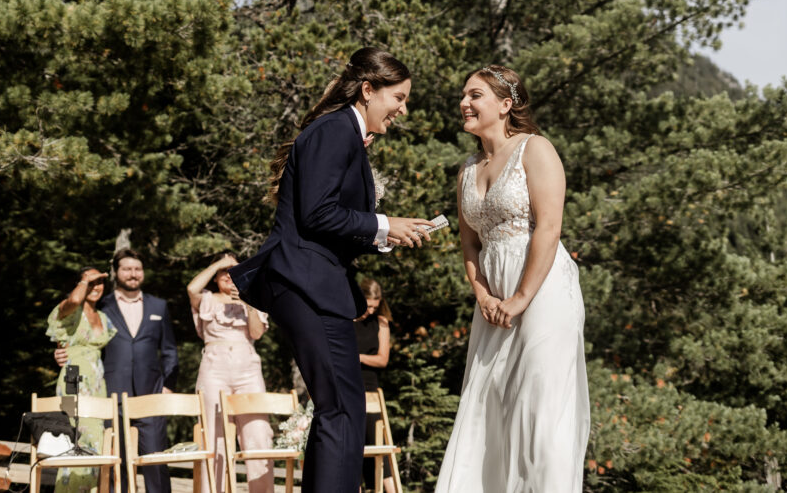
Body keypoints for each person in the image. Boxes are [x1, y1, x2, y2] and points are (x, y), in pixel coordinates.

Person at [229, 46, 435, 493]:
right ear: (368, 90)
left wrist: (387, 234)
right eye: (398, 97)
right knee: (343, 408)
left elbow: (327, 219)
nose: (403, 108)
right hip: (307, 284)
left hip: (312, 282)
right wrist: (383, 222)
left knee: (337, 407)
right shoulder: (336, 130)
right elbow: (317, 214)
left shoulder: (344, 133)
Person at [435, 66, 589, 491]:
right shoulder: (467, 169)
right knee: (487, 404)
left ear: (506, 105)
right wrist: (482, 293)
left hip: (541, 290)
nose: (464, 103)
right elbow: (469, 243)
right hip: (492, 298)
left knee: (538, 408)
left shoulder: (535, 149)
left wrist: (521, 297)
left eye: (475, 95)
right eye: (463, 95)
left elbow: (549, 227)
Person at [56, 248, 179, 493]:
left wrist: (168, 385)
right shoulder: (103, 304)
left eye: (137, 269)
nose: (133, 274)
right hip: (112, 395)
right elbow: (75, 326)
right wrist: (61, 351)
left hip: (151, 396)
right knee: (115, 463)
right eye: (127, 269)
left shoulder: (159, 306)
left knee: (156, 462)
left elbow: (170, 351)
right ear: (116, 273)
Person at [187, 252, 274, 493]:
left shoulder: (253, 298)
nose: (228, 275)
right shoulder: (206, 298)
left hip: (248, 368)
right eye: (223, 273)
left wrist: (247, 301)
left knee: (258, 432)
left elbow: (256, 333)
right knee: (214, 434)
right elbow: (191, 288)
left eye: (233, 271)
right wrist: (221, 263)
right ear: (215, 277)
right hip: (214, 368)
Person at [47, 267, 117, 493]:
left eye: (99, 282)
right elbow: (75, 300)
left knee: (96, 440)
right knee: (76, 439)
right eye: (90, 282)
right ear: (79, 284)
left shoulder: (104, 318)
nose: (96, 287)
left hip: (97, 382)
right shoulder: (70, 310)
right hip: (72, 379)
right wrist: (86, 279)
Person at [353, 278, 397, 493]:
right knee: (353, 448)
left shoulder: (381, 323)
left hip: (370, 388)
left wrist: (357, 357)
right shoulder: (344, 320)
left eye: (375, 305)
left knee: (376, 444)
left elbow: (382, 359)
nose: (370, 310)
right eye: (367, 305)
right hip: (347, 386)